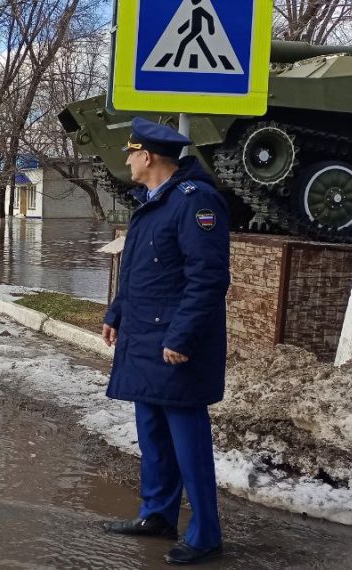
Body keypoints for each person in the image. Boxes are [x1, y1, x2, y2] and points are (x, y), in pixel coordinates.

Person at [101, 117, 231, 565]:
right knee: (153, 435)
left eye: (131, 154)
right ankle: (157, 515)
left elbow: (208, 279)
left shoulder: (196, 202)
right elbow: (139, 271)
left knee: (188, 444)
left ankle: (206, 534)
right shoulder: (151, 203)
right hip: (144, 338)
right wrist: (116, 313)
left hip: (176, 345)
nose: (128, 162)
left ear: (148, 156)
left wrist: (182, 336)